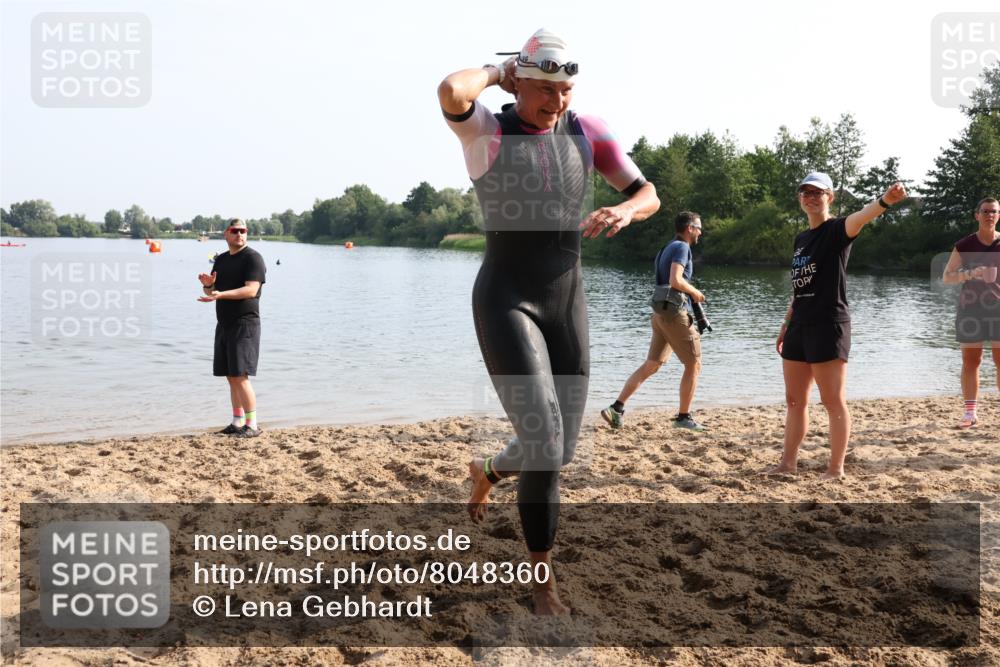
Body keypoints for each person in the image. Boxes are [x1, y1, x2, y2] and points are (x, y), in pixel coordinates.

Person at [438, 28, 660, 614]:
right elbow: (451, 90)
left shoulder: (587, 131)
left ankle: (488, 469)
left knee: (557, 452)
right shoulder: (488, 132)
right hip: (506, 300)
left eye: (565, 91)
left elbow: (648, 193)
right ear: (520, 83)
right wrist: (497, 71)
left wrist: (626, 210)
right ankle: (543, 584)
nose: (557, 101)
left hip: (567, 303)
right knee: (543, 442)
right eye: (545, 90)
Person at [771, 172, 907, 479]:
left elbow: (863, 216)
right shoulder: (801, 239)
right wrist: (786, 324)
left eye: (817, 192)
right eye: (806, 192)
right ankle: (787, 464)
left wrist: (886, 200)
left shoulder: (837, 230)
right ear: (800, 198)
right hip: (799, 325)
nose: (811, 197)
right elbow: (800, 288)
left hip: (829, 325)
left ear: (829, 197)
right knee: (794, 400)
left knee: (832, 401)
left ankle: (835, 469)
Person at [601, 211, 706, 431]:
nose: (700, 233)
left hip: (660, 315)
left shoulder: (666, 248)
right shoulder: (682, 247)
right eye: (698, 228)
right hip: (675, 315)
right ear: (689, 228)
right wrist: (695, 292)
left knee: (652, 364)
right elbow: (675, 280)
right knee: (693, 364)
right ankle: (683, 417)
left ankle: (616, 408)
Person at [197, 218, 267, 438]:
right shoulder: (222, 259)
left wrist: (220, 294)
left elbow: (251, 290)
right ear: (226, 234)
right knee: (231, 375)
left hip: (245, 323)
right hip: (224, 323)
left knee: (241, 375)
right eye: (235, 231)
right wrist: (209, 285)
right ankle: (237, 422)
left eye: (243, 231)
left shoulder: (253, 258)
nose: (239, 234)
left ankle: (252, 425)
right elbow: (212, 292)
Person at [942, 197, 1000, 428]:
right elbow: (947, 277)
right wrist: (970, 274)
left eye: (993, 211)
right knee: (971, 361)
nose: (989, 215)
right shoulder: (964, 245)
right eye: (985, 211)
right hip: (971, 310)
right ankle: (970, 413)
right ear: (977, 215)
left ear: (999, 216)